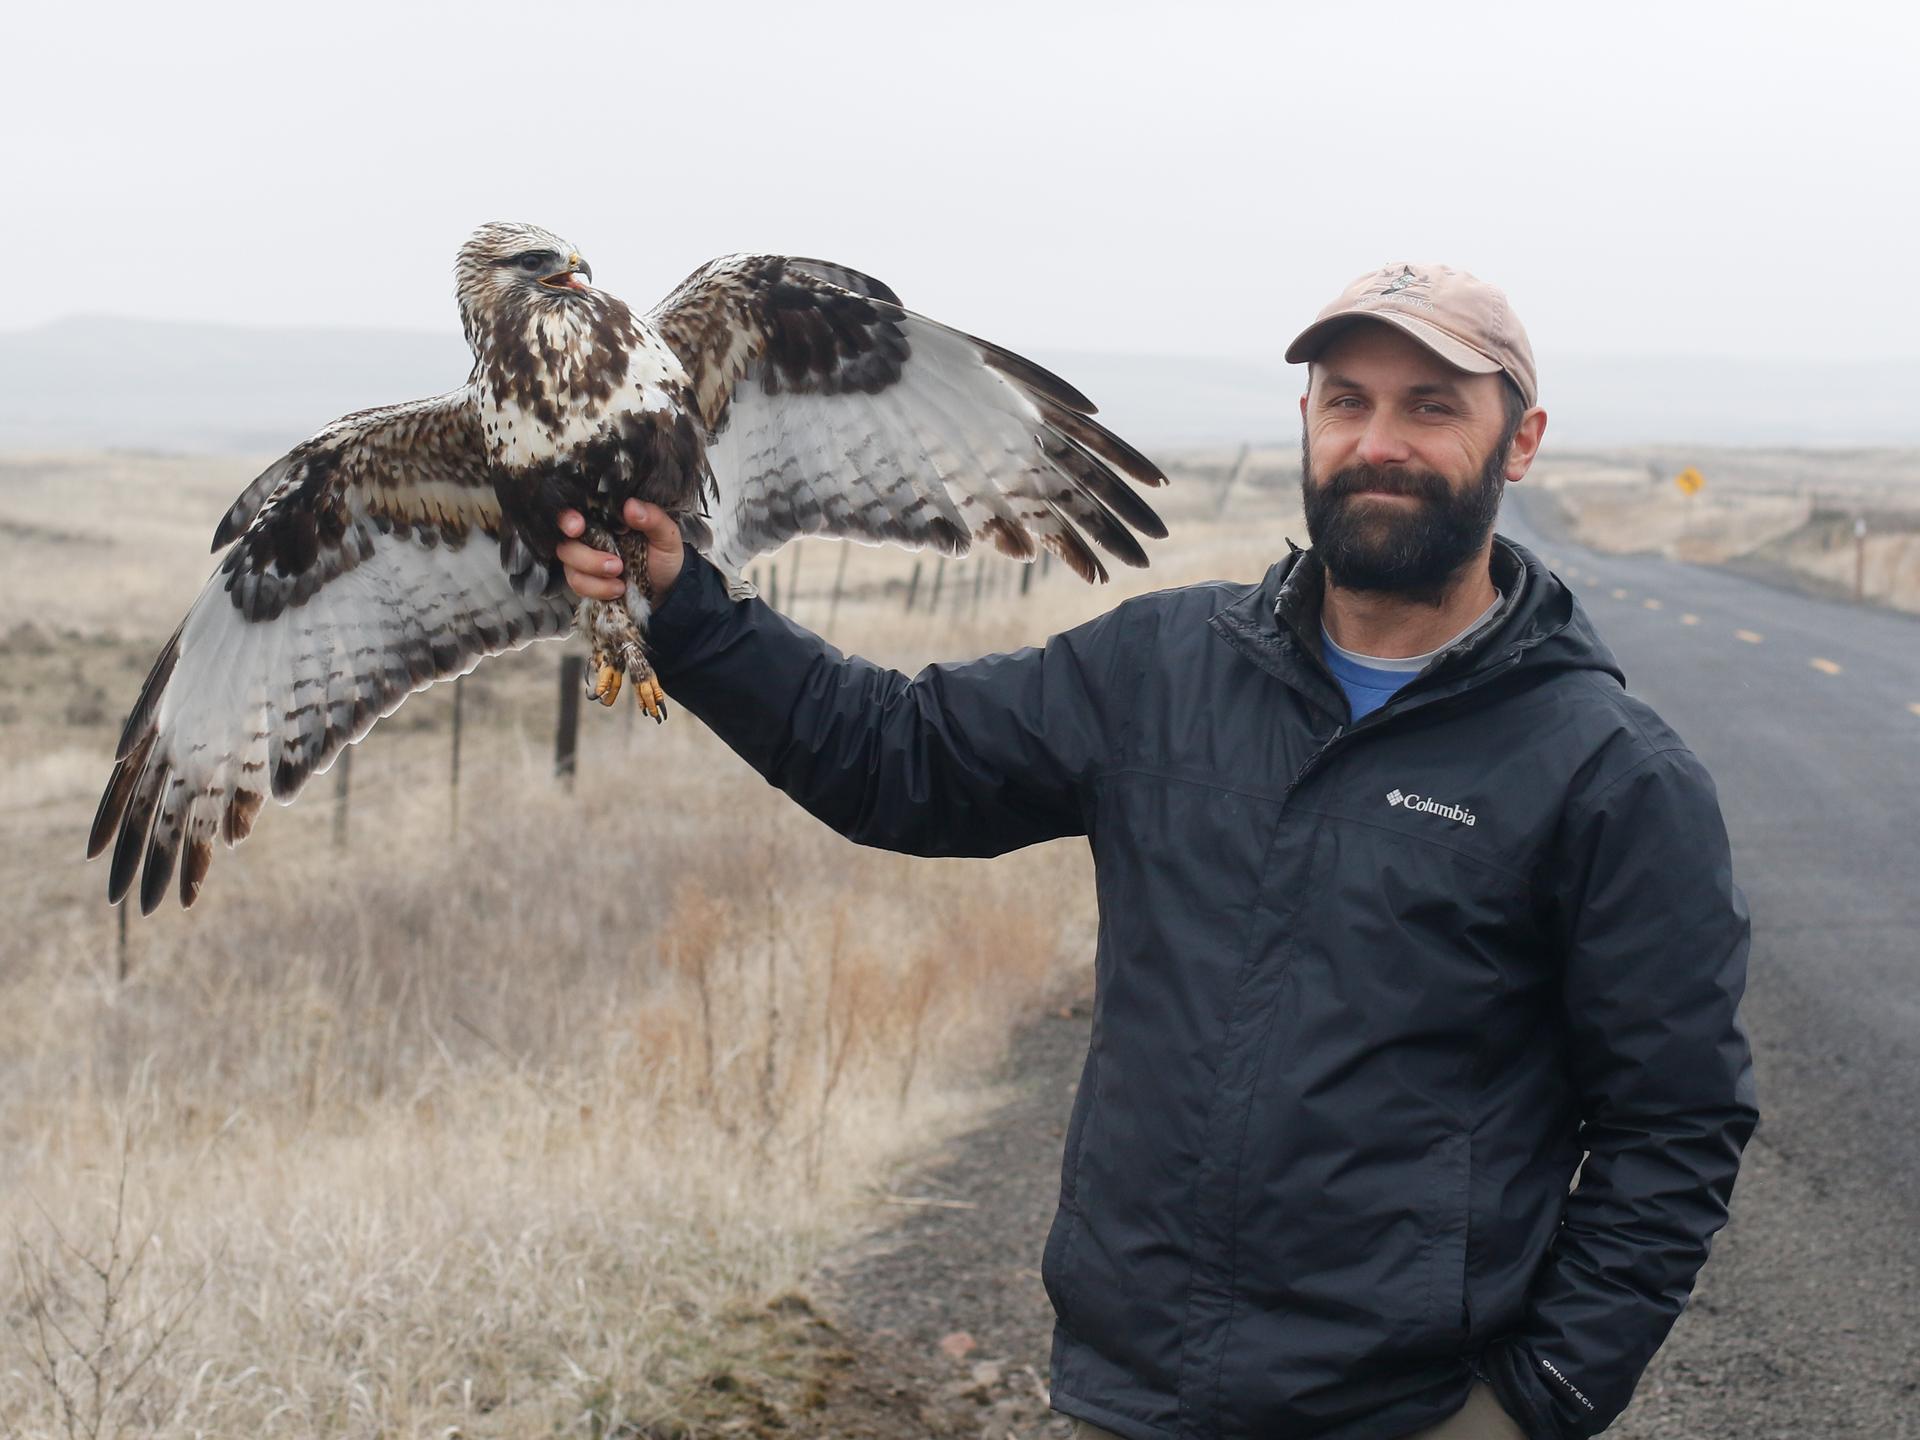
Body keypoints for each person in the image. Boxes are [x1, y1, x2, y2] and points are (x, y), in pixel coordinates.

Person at [556, 263, 1757, 1440]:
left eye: (1432, 406)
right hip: (1128, 1401)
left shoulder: (1610, 776)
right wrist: (686, 605)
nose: (1379, 439)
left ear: (1522, 441)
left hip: (1410, 1412)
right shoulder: (1167, 669)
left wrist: (1533, 1402)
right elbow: (894, 759)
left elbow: (1675, 1130)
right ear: (1307, 423)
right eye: (1348, 401)